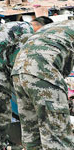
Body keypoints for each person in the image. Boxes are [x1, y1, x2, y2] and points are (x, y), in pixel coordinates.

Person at [0, 16, 53, 150]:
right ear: (40, 27)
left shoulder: (17, 25)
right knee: (0, 113)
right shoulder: (27, 33)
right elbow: (20, 63)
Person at [12, 20, 74, 150]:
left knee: (31, 130)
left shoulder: (58, 25)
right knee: (57, 136)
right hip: (43, 71)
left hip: (19, 71)